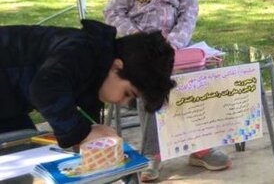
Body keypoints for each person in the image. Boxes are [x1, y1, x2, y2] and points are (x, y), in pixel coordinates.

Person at [104, 0, 229, 181]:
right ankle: (152, 153)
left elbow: (189, 12)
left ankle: (199, 146)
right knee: (151, 82)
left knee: (200, 77)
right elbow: (113, 13)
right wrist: (137, 37)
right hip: (139, 48)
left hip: (174, 46)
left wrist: (175, 41)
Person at [0, 20, 175, 149]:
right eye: (128, 93)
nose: (123, 102)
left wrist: (88, 129)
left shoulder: (97, 60)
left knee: (24, 150)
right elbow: (45, 89)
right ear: (116, 66)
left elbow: (73, 97)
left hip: (9, 102)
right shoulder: (80, 51)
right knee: (19, 155)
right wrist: (81, 133)